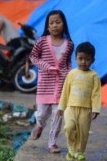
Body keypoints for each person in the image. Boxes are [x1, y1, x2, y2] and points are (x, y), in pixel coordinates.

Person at [29, 10, 74, 153]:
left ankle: (52, 143)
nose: (55, 25)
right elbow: (33, 57)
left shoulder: (69, 44)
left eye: (58, 22)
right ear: (47, 27)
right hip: (45, 85)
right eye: (51, 23)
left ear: (64, 24)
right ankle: (39, 125)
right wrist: (47, 67)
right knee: (42, 113)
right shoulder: (42, 42)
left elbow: (67, 64)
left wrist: (69, 77)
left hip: (61, 85)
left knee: (58, 115)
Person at [57, 42, 101, 161]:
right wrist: (62, 106)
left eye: (87, 59)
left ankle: (79, 152)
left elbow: (96, 93)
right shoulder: (72, 73)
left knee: (83, 131)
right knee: (69, 127)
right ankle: (71, 148)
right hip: (70, 107)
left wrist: (96, 109)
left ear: (93, 60)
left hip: (86, 109)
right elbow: (65, 90)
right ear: (75, 58)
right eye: (80, 58)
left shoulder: (94, 76)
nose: (83, 62)